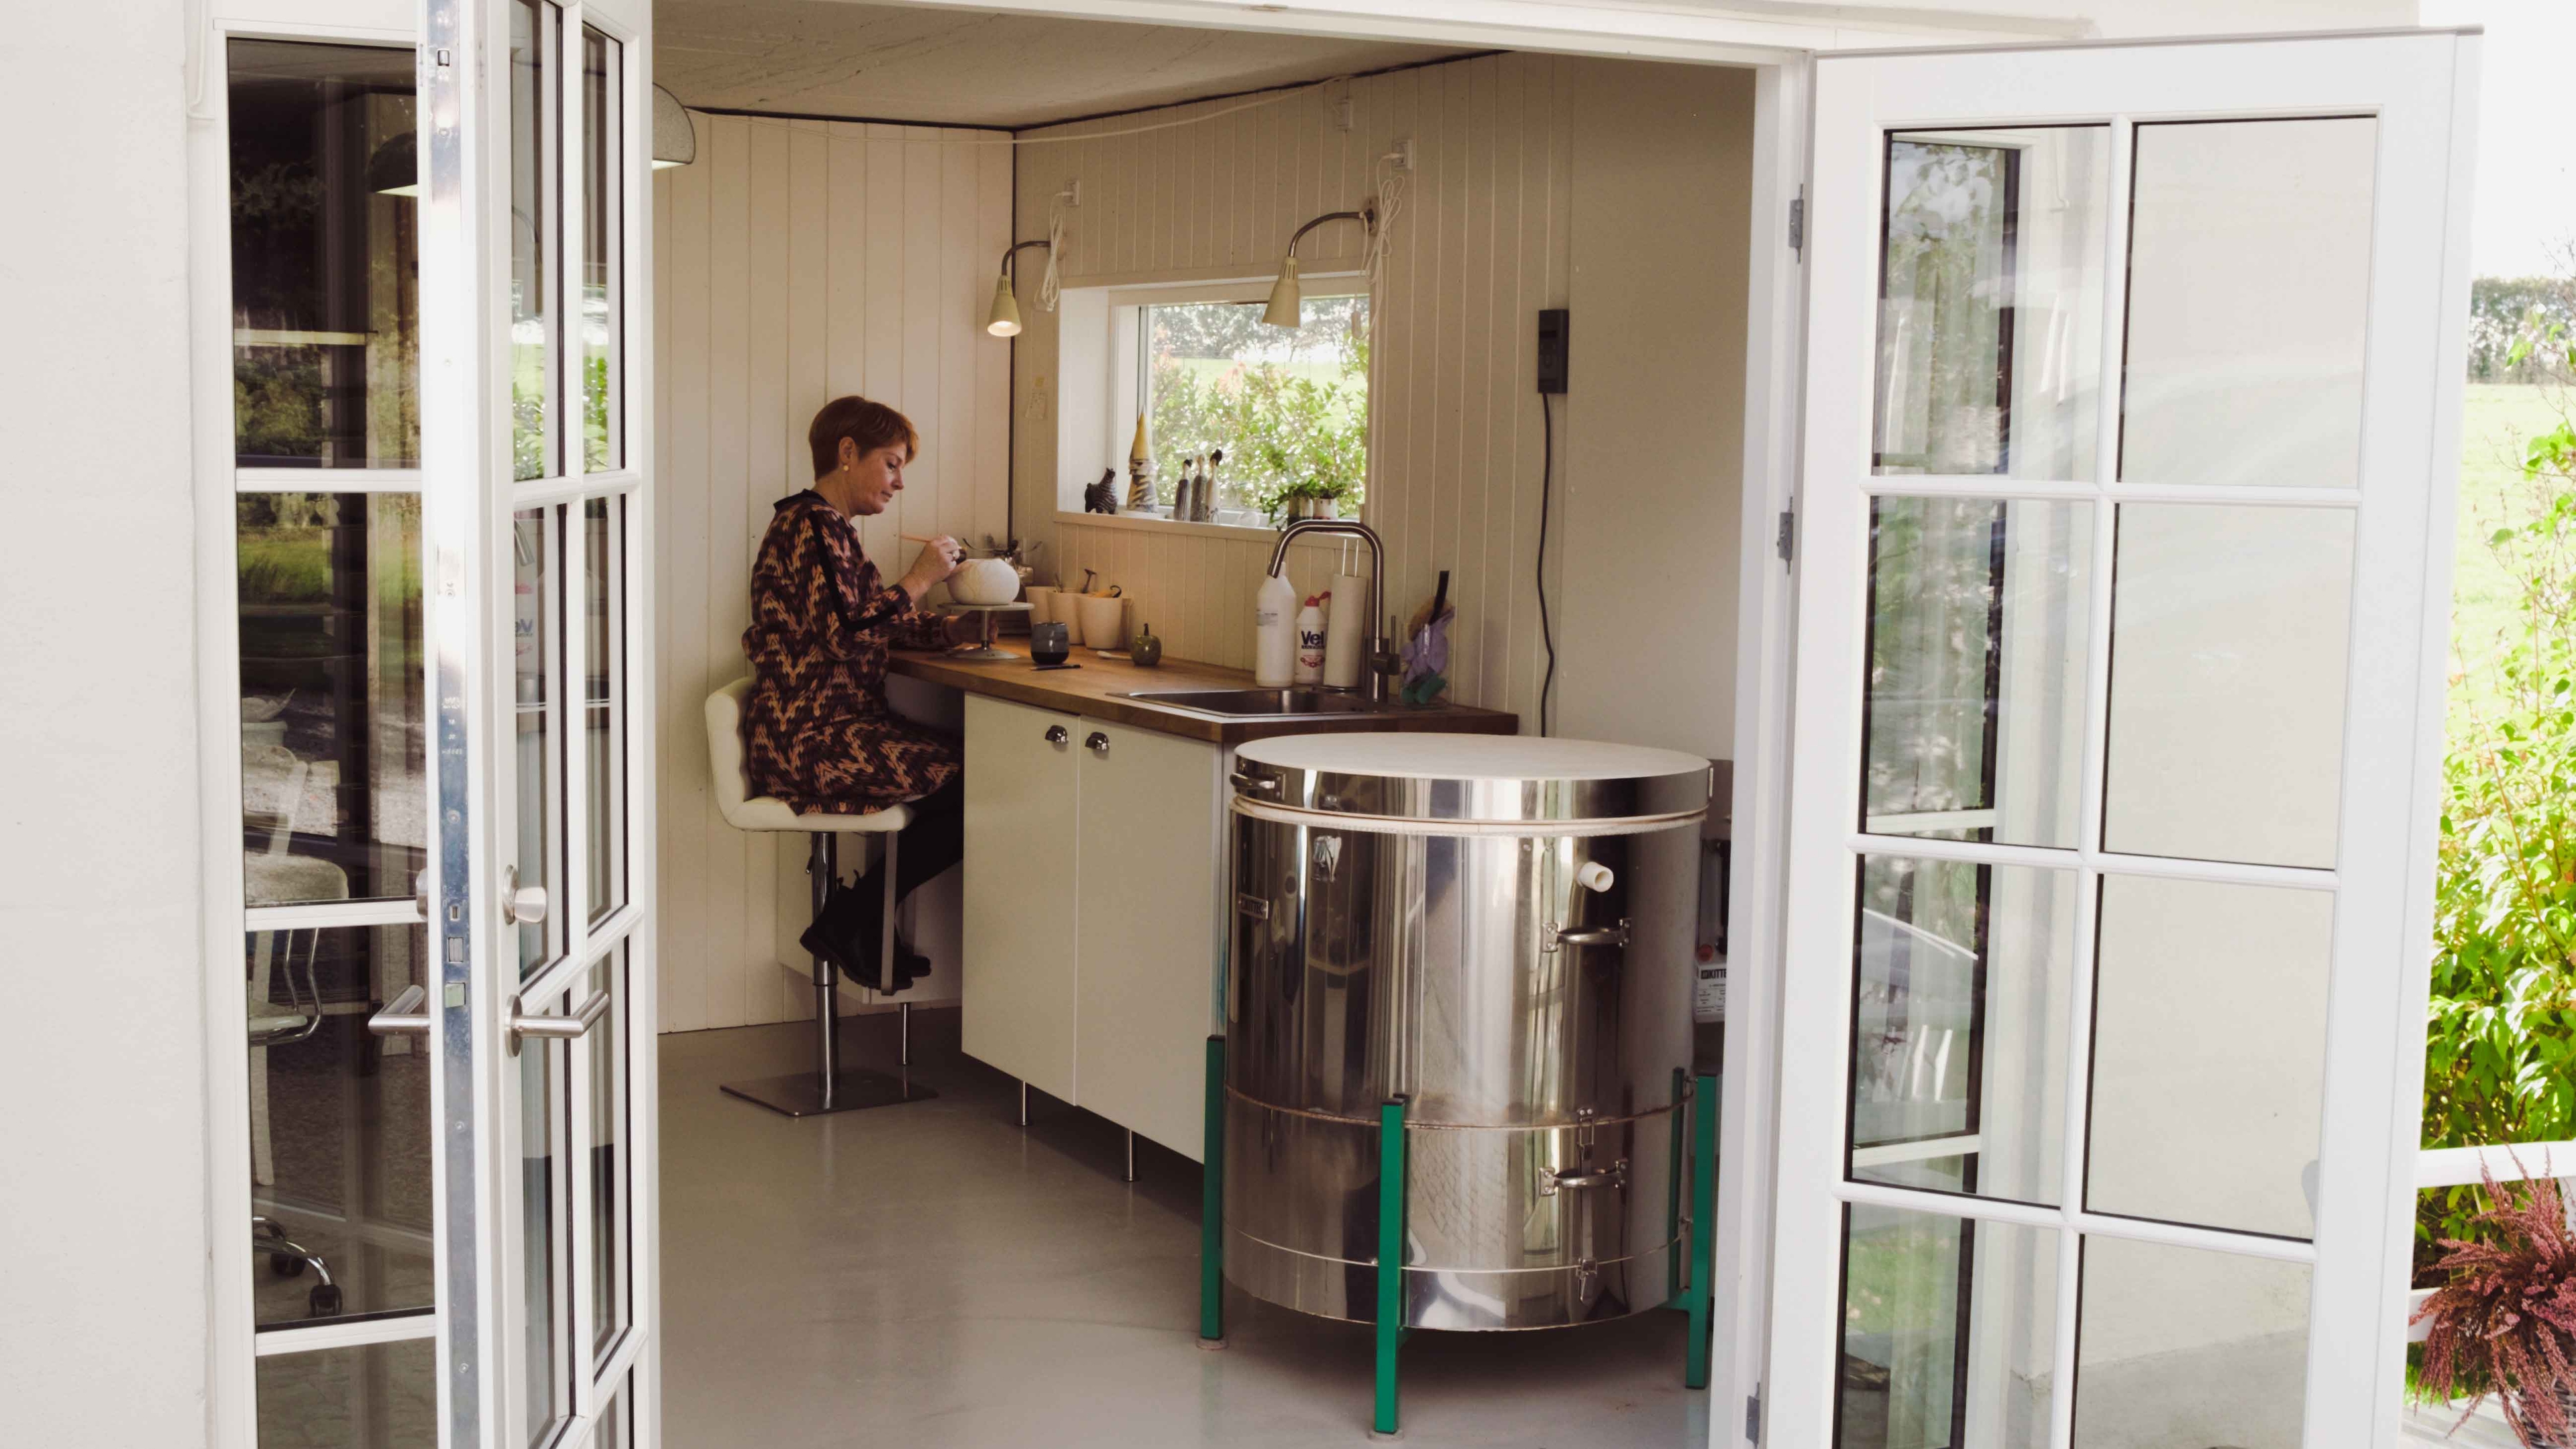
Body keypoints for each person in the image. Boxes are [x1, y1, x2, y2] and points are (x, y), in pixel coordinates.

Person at [741, 394, 972, 989]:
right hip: (809, 740)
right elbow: (849, 634)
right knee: (979, 783)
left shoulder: (832, 530)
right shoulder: (810, 526)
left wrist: (959, 628)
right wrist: (921, 577)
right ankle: (855, 919)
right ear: (848, 453)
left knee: (978, 772)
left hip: (832, 730)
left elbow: (876, 619)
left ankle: (859, 921)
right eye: (892, 464)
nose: (898, 484)